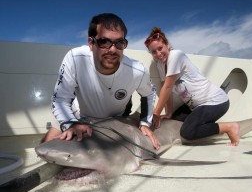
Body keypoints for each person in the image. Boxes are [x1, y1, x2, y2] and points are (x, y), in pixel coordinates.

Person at [42, 13, 160, 150]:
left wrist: (145, 123)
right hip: (77, 115)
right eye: (105, 42)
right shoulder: (75, 59)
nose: (113, 50)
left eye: (119, 43)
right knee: (46, 148)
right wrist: (71, 124)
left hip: (115, 119)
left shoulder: (137, 70)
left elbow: (149, 93)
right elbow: (60, 98)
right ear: (91, 43)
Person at [144, 27, 240, 146]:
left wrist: (156, 113)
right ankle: (204, 124)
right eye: (154, 52)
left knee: (187, 132)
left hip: (215, 101)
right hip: (196, 105)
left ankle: (230, 127)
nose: (158, 54)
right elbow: (166, 90)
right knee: (172, 119)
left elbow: (167, 87)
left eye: (160, 48)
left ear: (167, 45)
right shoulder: (160, 64)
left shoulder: (176, 55)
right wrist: (168, 113)